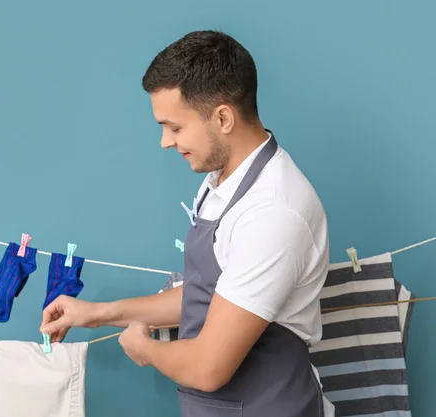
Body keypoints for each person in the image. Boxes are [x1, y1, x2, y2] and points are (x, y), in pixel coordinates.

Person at [40, 30, 335, 417]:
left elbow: (208, 367)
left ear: (223, 117)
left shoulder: (273, 212)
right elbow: (209, 294)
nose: (165, 141)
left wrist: (145, 350)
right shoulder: (220, 181)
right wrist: (98, 313)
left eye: (175, 127)